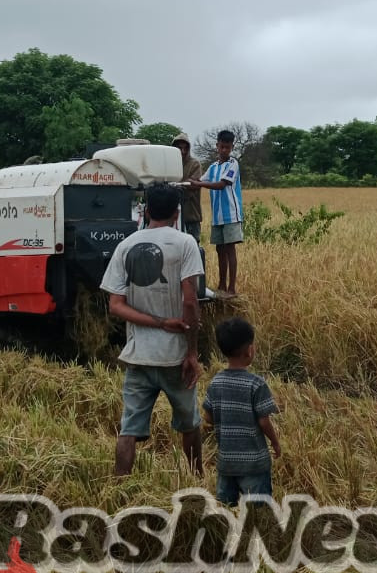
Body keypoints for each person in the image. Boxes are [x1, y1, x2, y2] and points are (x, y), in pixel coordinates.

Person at [101, 182, 205, 477]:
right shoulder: (185, 243)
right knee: (190, 424)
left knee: (128, 430)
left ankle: (119, 487)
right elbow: (190, 302)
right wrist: (192, 352)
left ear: (146, 211)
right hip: (175, 357)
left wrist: (157, 323)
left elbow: (116, 306)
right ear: (177, 213)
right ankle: (196, 480)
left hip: (138, 355)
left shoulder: (125, 246)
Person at [201, 317, 281, 505]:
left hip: (226, 462)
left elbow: (208, 418)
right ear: (249, 350)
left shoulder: (216, 382)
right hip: (254, 463)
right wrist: (275, 442)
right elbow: (264, 421)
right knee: (258, 510)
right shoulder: (256, 384)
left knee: (225, 506)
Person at [190, 129, 243, 297]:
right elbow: (200, 180)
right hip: (217, 216)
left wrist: (198, 185)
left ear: (232, 147)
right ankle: (221, 284)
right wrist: (188, 182)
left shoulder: (233, 164)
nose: (224, 150)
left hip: (231, 214)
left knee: (230, 249)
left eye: (228, 147)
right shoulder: (213, 167)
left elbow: (221, 184)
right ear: (217, 146)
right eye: (222, 147)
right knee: (220, 250)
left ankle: (231, 287)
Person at [171, 131, 203, 242]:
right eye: (179, 148)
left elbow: (194, 185)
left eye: (185, 148)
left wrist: (175, 185)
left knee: (193, 245)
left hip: (191, 215)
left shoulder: (195, 164)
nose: (183, 151)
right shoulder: (169, 164)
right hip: (171, 215)